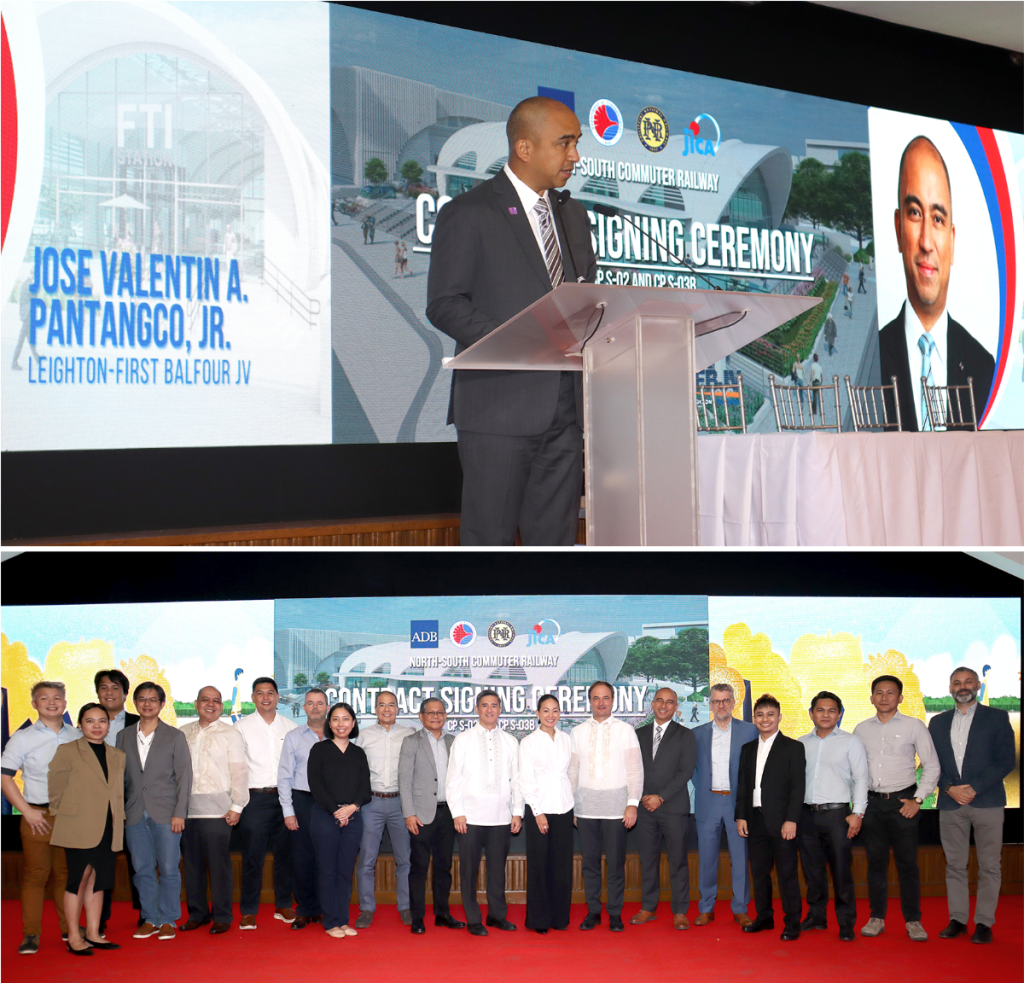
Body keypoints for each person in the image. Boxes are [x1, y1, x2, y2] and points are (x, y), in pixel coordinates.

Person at [426, 95, 597, 547]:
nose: (575, 156)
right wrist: (521, 340)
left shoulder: (573, 216)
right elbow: (445, 303)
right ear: (524, 148)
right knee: (490, 541)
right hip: (499, 407)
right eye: (565, 144)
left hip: (567, 411)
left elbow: (584, 302)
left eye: (576, 143)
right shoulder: (469, 213)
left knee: (554, 542)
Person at [879, 136, 995, 431]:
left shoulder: (985, 368)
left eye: (939, 218)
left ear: (952, 242)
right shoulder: (873, 357)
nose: (927, 242)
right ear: (897, 229)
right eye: (915, 213)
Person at [929, 666, 1016, 944]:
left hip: (987, 801)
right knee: (954, 865)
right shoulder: (938, 722)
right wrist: (948, 788)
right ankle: (958, 919)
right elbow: (932, 765)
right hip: (950, 802)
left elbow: (1005, 761)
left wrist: (974, 789)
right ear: (950, 688)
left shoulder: (997, 717)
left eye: (968, 682)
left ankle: (984, 923)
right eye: (957, 682)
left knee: (990, 865)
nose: (962, 686)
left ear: (977, 685)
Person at [853, 674, 939, 941]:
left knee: (908, 865)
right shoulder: (861, 729)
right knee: (875, 864)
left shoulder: (915, 726)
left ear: (900, 698)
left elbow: (932, 765)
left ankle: (913, 921)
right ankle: (876, 918)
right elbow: (854, 770)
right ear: (871, 698)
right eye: (879, 693)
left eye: (890, 693)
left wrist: (918, 799)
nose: (884, 697)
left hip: (904, 805)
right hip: (872, 805)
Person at [0, 681, 78, 954]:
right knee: (35, 877)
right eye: (44, 698)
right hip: (37, 816)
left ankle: (70, 930)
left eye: (57, 697)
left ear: (65, 703)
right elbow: (5, 777)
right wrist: (27, 811)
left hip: (69, 816)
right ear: (34, 704)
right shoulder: (22, 737)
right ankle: (31, 934)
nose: (52, 702)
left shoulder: (76, 735)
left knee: (65, 876)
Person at [47, 703, 126, 955]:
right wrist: (66, 815)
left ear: (109, 724)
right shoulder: (67, 751)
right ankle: (73, 936)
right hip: (78, 825)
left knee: (98, 881)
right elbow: (55, 788)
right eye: (90, 721)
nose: (96, 726)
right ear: (80, 725)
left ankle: (93, 933)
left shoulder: (117, 755)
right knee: (78, 880)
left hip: (107, 826)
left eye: (102, 721)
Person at [117, 682, 192, 941]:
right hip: (134, 813)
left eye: (153, 699)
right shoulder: (123, 736)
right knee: (142, 869)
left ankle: (169, 918)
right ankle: (150, 918)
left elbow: (184, 777)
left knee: (169, 868)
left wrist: (180, 812)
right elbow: (122, 778)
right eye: (142, 699)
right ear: (135, 703)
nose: (147, 703)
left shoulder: (174, 736)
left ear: (161, 705)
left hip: (167, 813)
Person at [446, 689, 523, 935]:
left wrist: (517, 812)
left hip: (501, 817)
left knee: (497, 870)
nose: (490, 710)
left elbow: (517, 781)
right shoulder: (463, 739)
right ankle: (473, 919)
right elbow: (453, 780)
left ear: (500, 709)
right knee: (468, 870)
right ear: (477, 709)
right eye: (485, 705)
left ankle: (497, 916)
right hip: (469, 818)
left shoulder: (511, 741)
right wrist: (457, 812)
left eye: (494, 705)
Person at [569, 680, 642, 932]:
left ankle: (614, 913)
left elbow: (635, 771)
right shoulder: (577, 732)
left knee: (615, 863)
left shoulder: (625, 730)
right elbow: (573, 772)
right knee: (589, 864)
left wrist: (632, 804)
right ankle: (593, 912)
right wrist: (572, 807)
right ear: (589, 701)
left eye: (606, 698)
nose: (601, 703)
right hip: (585, 809)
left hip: (617, 809)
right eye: (596, 698)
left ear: (613, 701)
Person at [796, 691, 868, 941]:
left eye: (831, 710)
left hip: (838, 816)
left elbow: (861, 778)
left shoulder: (851, 742)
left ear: (839, 714)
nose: (825, 715)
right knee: (812, 870)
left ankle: (846, 923)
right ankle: (816, 916)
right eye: (820, 710)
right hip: (806, 815)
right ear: (811, 713)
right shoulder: (801, 743)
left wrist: (858, 813)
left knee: (841, 871)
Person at [178, 687, 248, 935]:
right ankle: (197, 914)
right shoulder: (182, 732)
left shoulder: (231, 734)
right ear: (196, 703)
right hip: (186, 811)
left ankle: (222, 916)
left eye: (216, 701)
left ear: (221, 706)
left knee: (219, 866)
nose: (211, 705)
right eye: (205, 700)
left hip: (219, 811)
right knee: (192, 865)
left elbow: (240, 772)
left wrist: (237, 806)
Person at [735, 694, 805, 941]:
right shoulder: (748, 749)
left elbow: (798, 787)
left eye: (770, 715)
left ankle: (792, 922)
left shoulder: (793, 747)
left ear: (779, 717)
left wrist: (791, 819)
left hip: (782, 822)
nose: (765, 719)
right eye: (760, 715)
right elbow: (743, 786)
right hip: (754, 821)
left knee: (787, 874)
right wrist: (740, 816)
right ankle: (764, 917)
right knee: (760, 873)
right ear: (754, 718)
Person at [691, 683, 758, 928]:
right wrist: (704, 790)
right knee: (706, 859)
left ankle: (740, 908)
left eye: (726, 700)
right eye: (717, 701)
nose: (721, 705)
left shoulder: (749, 731)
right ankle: (706, 908)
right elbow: (693, 770)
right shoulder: (697, 734)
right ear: (710, 705)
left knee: (740, 858)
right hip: (708, 802)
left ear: (734, 702)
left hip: (737, 804)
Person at [234, 676, 297, 929]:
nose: (266, 697)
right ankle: (249, 910)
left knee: (285, 856)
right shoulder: (241, 727)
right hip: (255, 798)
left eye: (270, 692)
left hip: (286, 799)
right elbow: (237, 769)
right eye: (260, 693)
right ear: (253, 698)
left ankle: (283, 905)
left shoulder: (291, 727)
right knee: (253, 857)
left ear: (278, 697)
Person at [631, 688, 697, 930]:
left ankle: (680, 911)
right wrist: (642, 798)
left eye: (670, 702)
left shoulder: (686, 735)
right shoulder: (638, 734)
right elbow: (632, 770)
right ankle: (648, 907)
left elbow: (685, 772)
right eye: (659, 700)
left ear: (675, 706)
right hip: (644, 809)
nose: (663, 705)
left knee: (678, 861)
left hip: (673, 808)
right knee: (648, 861)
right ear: (652, 703)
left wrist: (661, 797)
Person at [398, 697, 464, 935]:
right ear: (421, 716)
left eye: (440, 712)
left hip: (448, 813)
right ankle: (417, 917)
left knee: (444, 866)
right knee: (419, 867)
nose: (436, 716)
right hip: (421, 815)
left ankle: (442, 913)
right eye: (431, 713)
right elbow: (404, 781)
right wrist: (409, 814)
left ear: (445, 716)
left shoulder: (454, 742)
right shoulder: (411, 742)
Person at [307, 703, 372, 939]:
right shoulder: (319, 749)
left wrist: (352, 809)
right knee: (327, 871)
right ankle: (331, 921)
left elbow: (366, 789)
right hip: (325, 816)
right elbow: (316, 786)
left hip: (353, 818)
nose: (341, 724)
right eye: (336, 719)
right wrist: (337, 811)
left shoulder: (358, 753)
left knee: (345, 871)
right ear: (329, 723)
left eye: (346, 719)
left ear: (353, 723)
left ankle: (343, 920)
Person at [353, 691, 413, 928]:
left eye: (391, 705)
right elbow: (356, 771)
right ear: (375, 709)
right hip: (372, 803)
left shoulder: (409, 735)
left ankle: (406, 907)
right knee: (367, 859)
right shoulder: (364, 736)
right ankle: (366, 908)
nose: (387, 709)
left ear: (398, 708)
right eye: (382, 705)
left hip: (401, 803)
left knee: (404, 859)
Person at [518, 694, 574, 934]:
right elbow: (525, 780)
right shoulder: (529, 742)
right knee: (540, 865)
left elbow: (570, 774)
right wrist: (537, 812)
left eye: (555, 711)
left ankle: (559, 918)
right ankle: (539, 920)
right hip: (539, 810)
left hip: (564, 808)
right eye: (546, 711)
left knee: (561, 866)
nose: (551, 715)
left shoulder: (566, 739)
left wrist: (573, 807)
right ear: (537, 713)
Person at [94, 668, 142, 931]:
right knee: (101, 865)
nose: (109, 692)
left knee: (140, 862)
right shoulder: (87, 721)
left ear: (125, 693)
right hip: (98, 809)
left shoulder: (140, 722)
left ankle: (145, 914)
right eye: (104, 687)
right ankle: (99, 920)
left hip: (132, 805)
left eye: (115, 688)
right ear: (97, 692)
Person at [278, 688, 329, 930]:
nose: (315, 707)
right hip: (302, 802)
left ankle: (323, 908)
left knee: (327, 858)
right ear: (304, 707)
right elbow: (285, 775)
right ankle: (305, 909)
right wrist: (288, 811)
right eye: (310, 703)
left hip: (332, 805)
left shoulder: (341, 734)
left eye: (320, 703)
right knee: (302, 859)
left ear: (327, 707)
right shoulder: (293, 737)